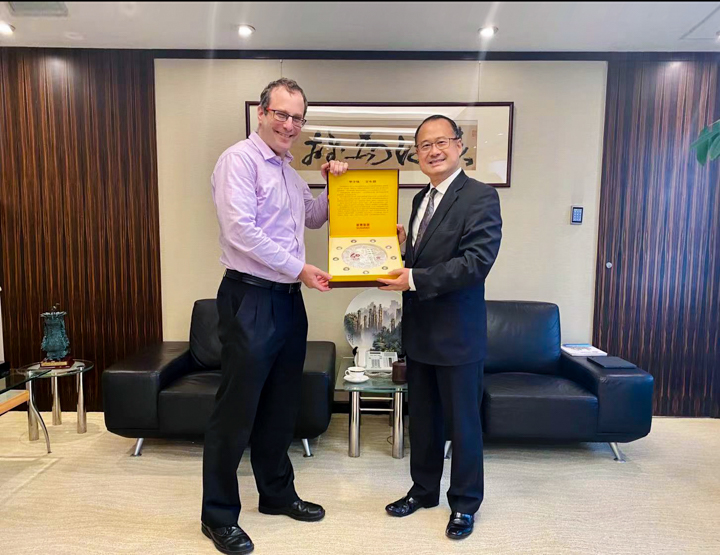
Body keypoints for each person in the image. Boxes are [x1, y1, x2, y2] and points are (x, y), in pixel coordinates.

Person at [201, 78, 347, 554]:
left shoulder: (288, 170)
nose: (289, 124)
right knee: (236, 410)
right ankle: (217, 515)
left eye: (297, 118)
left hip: (288, 299)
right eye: (281, 114)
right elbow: (240, 232)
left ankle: (276, 495)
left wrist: (334, 186)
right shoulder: (239, 161)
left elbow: (313, 217)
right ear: (261, 113)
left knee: (281, 405)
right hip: (250, 298)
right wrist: (300, 268)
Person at [378, 115, 502, 540]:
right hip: (420, 332)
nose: (433, 151)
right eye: (424, 145)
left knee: (463, 425)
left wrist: (412, 276)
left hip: (458, 335)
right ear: (417, 154)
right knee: (424, 420)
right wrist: (399, 248)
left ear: (459, 145)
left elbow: (475, 263)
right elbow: (424, 258)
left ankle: (464, 504)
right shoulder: (420, 199)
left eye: (441, 142)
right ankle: (424, 489)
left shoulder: (480, 196)